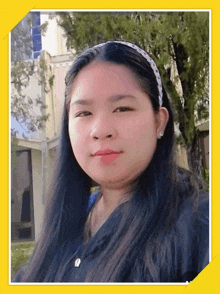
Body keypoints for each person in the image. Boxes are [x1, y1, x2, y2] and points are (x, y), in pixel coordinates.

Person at [13, 41, 209, 283]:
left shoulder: (200, 223)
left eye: (122, 108)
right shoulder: (66, 222)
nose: (101, 130)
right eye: (84, 113)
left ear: (159, 121)